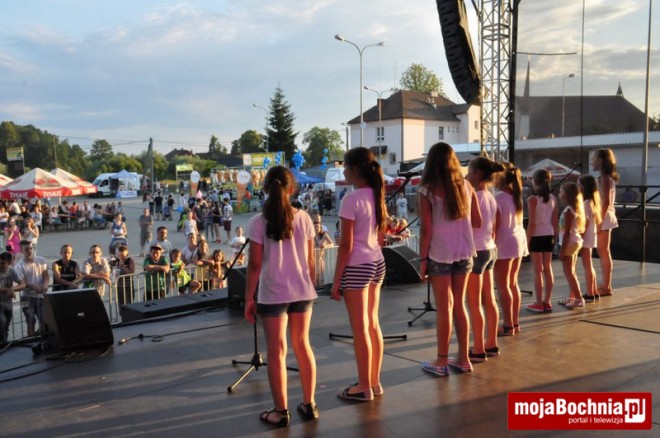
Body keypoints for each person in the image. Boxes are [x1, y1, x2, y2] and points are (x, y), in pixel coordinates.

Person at [245, 165, 318, 427]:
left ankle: (281, 411)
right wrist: (310, 284)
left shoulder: (257, 222)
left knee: (276, 352)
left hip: (273, 293)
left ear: (265, 188)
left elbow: (255, 265)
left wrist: (249, 298)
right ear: (292, 188)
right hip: (301, 290)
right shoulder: (304, 218)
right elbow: (310, 259)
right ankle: (309, 405)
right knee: (303, 345)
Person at [417, 143, 481, 376]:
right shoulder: (467, 185)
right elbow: (478, 221)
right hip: (464, 251)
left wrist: (422, 260)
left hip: (440, 253)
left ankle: (442, 361)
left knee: (444, 307)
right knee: (460, 305)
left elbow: (426, 229)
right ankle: (463, 359)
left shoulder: (426, 190)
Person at [331, 147, 387, 401]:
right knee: (372, 324)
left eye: (345, 166)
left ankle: (363, 386)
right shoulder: (376, 195)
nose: (343, 171)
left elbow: (346, 245)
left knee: (360, 328)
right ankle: (374, 382)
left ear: (354, 169)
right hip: (377, 262)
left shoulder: (351, 199)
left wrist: (336, 281)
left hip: (357, 266)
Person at [465, 157, 504, 362]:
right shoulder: (490, 196)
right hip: (490, 248)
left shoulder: (475, 196)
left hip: (477, 251)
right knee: (489, 298)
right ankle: (491, 343)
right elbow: (494, 225)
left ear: (478, 173)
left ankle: (478, 348)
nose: (467, 175)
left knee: (474, 303)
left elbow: (470, 224)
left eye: (469, 171)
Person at [494, 163, 528, 336]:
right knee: (513, 283)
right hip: (518, 240)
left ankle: (508, 325)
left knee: (503, 285)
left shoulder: (499, 197)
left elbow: (496, 225)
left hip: (505, 243)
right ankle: (514, 322)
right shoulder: (516, 197)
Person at [525, 169, 559, 313]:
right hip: (549, 234)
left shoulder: (532, 200)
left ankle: (538, 303)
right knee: (548, 268)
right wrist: (555, 238)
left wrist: (527, 242)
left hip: (537, 235)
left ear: (535, 181)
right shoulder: (553, 199)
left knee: (538, 270)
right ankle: (547, 301)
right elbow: (555, 221)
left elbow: (532, 224)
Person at [592, 148, 619, 296]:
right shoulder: (606, 177)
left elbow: (606, 201)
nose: (592, 162)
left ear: (601, 160)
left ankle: (606, 286)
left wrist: (599, 221)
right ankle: (606, 284)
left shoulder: (604, 178)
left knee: (603, 252)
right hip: (606, 216)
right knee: (603, 252)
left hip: (604, 217)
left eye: (594, 159)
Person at [557, 182, 586, 308]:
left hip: (569, 243)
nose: (559, 194)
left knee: (569, 272)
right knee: (571, 272)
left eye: (561, 191)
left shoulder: (568, 211)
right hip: (575, 241)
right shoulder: (574, 209)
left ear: (566, 194)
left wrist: (562, 251)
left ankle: (579, 298)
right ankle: (573, 297)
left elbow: (567, 232)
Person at [15, 241, 49, 336]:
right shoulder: (19, 266)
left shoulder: (41, 260)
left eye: (31, 248)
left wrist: (45, 284)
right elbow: (23, 283)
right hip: (26, 297)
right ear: (21, 251)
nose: (29, 251)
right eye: (26, 249)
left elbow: (46, 276)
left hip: (41, 295)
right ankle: (31, 339)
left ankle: (42, 337)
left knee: (44, 320)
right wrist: (33, 286)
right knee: (31, 320)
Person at [579, 175, 602, 302]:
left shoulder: (586, 203)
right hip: (591, 235)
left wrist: (580, 237)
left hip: (586, 236)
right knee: (589, 264)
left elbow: (585, 222)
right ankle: (593, 291)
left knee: (587, 264)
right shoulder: (592, 202)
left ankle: (589, 292)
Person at [0, 251, 25, 343]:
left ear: (9, 263)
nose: (1, 265)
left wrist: (12, 289)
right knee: (2, 322)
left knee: (6, 327)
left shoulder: (12, 270)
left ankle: (4, 344)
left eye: (3, 263)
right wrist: (9, 290)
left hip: (7, 303)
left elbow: (23, 284)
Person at [313, 219, 334, 286]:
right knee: (314, 277)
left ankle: (320, 288)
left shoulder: (324, 235)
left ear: (320, 228)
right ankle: (315, 288)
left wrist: (325, 246)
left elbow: (332, 244)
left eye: (318, 227)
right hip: (313, 258)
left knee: (320, 276)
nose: (316, 228)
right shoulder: (312, 236)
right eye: (315, 227)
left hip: (320, 259)